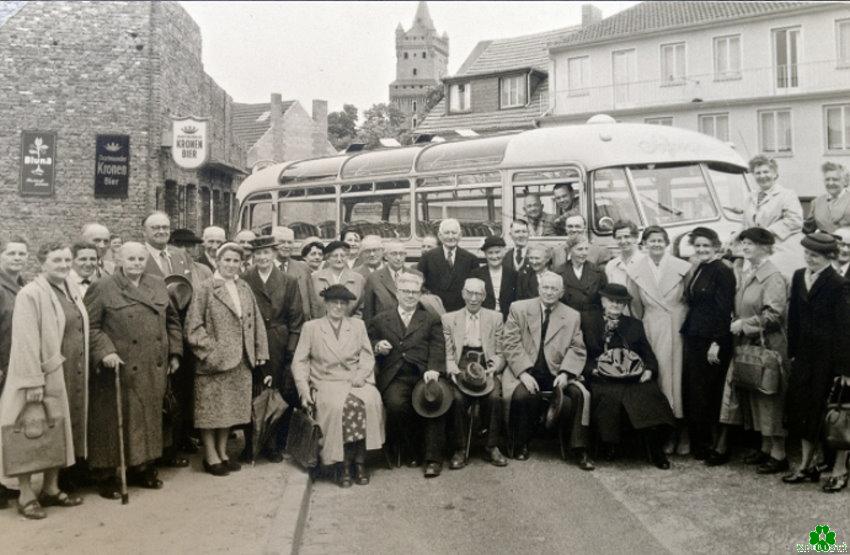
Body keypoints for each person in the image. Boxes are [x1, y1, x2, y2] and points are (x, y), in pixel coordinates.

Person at [86, 242, 182, 496]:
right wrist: (105, 351)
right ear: (119, 259)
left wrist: (174, 352)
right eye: (131, 259)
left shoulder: (157, 283)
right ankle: (107, 474)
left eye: (141, 259)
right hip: (120, 368)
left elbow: (172, 321)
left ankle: (143, 466)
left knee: (149, 418)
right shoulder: (103, 287)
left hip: (153, 365)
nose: (137, 264)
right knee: (115, 420)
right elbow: (92, 327)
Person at [0, 242, 88, 519]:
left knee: (58, 430)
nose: (63, 265)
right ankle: (26, 495)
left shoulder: (69, 288)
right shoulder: (30, 293)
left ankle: (51, 488)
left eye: (66, 260)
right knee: (30, 429)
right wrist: (32, 382)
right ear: (42, 263)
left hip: (66, 373)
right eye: (56, 260)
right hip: (38, 375)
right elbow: (25, 340)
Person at [185, 242, 268, 477]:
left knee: (229, 411)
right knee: (210, 412)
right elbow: (192, 327)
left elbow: (256, 322)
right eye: (227, 260)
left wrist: (259, 352)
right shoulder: (205, 288)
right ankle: (210, 456)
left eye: (236, 261)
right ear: (218, 261)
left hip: (241, 361)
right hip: (215, 363)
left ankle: (222, 452)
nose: (232, 265)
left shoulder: (244, 287)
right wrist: (211, 352)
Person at [711, 228, 789, 471]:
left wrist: (746, 325)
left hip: (767, 347)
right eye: (743, 243)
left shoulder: (772, 276)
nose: (744, 247)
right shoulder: (750, 272)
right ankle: (765, 448)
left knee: (769, 397)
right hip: (749, 344)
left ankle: (779, 454)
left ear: (765, 247)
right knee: (755, 394)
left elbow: (774, 315)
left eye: (751, 244)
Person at [292, 284, 384, 487]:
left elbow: (368, 356)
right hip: (326, 382)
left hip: (354, 379)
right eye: (335, 302)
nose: (339, 307)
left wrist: (361, 375)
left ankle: (359, 462)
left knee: (371, 400)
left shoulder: (357, 325)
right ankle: (341, 464)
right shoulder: (312, 328)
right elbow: (300, 361)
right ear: (326, 304)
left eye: (343, 303)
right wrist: (304, 390)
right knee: (338, 407)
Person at [501, 271, 593, 470]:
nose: (549, 292)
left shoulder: (571, 315)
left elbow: (577, 348)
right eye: (546, 287)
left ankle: (579, 449)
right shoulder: (519, 308)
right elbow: (510, 343)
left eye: (554, 289)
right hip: (526, 371)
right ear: (538, 288)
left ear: (561, 292)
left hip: (557, 372)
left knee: (578, 395)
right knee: (521, 396)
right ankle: (521, 444)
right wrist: (523, 373)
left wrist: (566, 373)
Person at [367, 271, 449, 478]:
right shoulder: (381, 318)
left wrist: (434, 368)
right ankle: (411, 450)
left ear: (420, 294)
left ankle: (432, 459)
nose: (410, 296)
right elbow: (368, 340)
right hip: (395, 375)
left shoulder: (430, 318)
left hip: (423, 374)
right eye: (406, 291)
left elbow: (438, 345)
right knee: (396, 406)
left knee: (434, 403)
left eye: (415, 292)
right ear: (397, 293)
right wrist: (377, 346)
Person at [583, 284, 674, 469]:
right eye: (611, 301)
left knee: (650, 394)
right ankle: (610, 445)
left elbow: (647, 354)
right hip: (602, 378)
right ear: (603, 301)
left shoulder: (634, 324)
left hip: (632, 377)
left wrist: (649, 370)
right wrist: (591, 370)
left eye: (620, 302)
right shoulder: (588, 322)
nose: (616, 305)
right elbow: (580, 353)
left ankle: (656, 449)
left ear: (625, 305)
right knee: (610, 396)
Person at [784, 232, 850, 485]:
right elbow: (794, 318)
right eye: (807, 254)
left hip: (829, 360)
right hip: (804, 357)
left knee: (835, 414)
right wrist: (793, 353)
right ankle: (806, 465)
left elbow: (845, 328)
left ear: (829, 257)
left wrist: (846, 369)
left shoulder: (838, 283)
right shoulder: (800, 276)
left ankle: (839, 470)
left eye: (815, 255)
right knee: (803, 410)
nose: (809, 259)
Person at [626, 226, 691, 454]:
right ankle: (664, 433)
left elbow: (689, 299)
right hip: (652, 328)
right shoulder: (635, 271)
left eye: (660, 241)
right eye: (651, 241)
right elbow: (635, 307)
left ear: (666, 243)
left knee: (679, 381)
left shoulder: (683, 268)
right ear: (644, 244)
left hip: (678, 327)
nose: (656, 245)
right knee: (659, 379)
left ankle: (682, 433)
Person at [241, 235, 303, 461]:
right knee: (253, 392)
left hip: (279, 342)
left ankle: (274, 444)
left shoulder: (288, 281)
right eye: (257, 254)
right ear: (253, 257)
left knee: (279, 392)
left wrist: (291, 351)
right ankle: (252, 444)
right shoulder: (244, 279)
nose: (262, 258)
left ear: (274, 254)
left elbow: (297, 320)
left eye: (266, 253)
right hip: (252, 341)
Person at [679, 227, 735, 461]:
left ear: (716, 247)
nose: (701, 249)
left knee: (708, 393)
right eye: (698, 246)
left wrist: (716, 342)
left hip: (712, 339)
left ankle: (711, 445)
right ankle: (698, 443)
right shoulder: (700, 267)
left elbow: (724, 310)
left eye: (706, 246)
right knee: (695, 391)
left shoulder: (722, 271)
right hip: (694, 335)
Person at [442, 278, 508, 468]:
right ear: (463, 294)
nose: (473, 298)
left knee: (495, 397)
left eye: (478, 294)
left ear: (485, 296)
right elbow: (448, 351)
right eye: (469, 293)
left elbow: (500, 350)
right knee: (457, 399)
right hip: (461, 364)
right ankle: (460, 449)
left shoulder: (495, 318)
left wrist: (495, 365)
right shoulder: (449, 319)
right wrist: (451, 367)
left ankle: (491, 446)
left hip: (484, 364)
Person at [741, 155, 805, 280]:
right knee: (754, 287)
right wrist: (734, 238)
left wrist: (765, 233)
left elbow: (795, 221)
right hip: (754, 252)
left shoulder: (787, 195)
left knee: (775, 284)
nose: (762, 176)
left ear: (775, 174)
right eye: (757, 173)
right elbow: (746, 224)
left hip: (779, 250)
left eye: (766, 171)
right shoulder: (750, 197)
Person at [417, 218, 479, 313]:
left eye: (454, 233)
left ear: (460, 235)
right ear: (440, 236)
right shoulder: (427, 258)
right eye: (446, 233)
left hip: (461, 313)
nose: (450, 237)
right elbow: (419, 286)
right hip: (434, 314)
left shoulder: (471, 259)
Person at [557, 234, 607, 328]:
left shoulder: (597, 272)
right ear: (570, 250)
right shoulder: (559, 272)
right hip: (568, 321)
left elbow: (604, 298)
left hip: (593, 322)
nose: (584, 253)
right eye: (579, 249)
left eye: (586, 249)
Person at [272, 226, 317, 322]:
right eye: (282, 242)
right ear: (273, 244)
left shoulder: (303, 268)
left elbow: (312, 303)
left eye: (289, 242)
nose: (286, 246)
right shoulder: (266, 268)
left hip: (300, 326)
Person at [312, 241, 365, 318]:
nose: (339, 259)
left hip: (349, 327)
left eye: (343, 256)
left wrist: (352, 324)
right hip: (320, 326)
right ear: (328, 258)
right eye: (335, 256)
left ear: (347, 257)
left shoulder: (358, 279)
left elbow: (361, 308)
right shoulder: (315, 278)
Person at [471, 236, 516, 321]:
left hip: (507, 319)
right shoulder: (476, 274)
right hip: (484, 319)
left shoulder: (512, 274)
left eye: (497, 252)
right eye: (490, 253)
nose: (494, 256)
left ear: (503, 252)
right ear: (485, 254)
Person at [362, 240, 407, 322]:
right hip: (383, 331)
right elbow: (368, 313)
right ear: (385, 256)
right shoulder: (373, 278)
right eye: (394, 254)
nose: (398, 258)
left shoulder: (416, 275)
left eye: (401, 254)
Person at [141, 212, 195, 280]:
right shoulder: (137, 256)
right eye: (156, 228)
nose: (161, 231)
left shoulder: (180, 255)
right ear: (144, 231)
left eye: (165, 227)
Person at [805, 162, 850, 234]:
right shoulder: (816, 202)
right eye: (827, 179)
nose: (830, 183)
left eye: (835, 179)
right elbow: (808, 230)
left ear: (845, 182)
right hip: (824, 244)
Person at [605, 220, 643, 285]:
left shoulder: (647, 263)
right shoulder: (611, 266)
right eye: (619, 238)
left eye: (627, 237)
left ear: (636, 237)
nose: (623, 241)